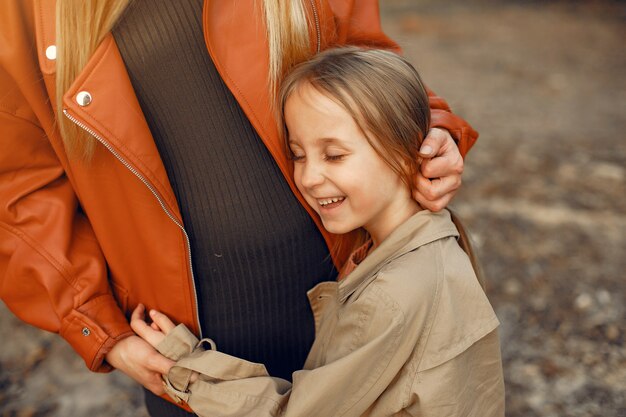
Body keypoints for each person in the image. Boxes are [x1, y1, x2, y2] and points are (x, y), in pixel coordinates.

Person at [0, 1, 478, 415]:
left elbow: (361, 58)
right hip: (189, 353)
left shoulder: (417, 289)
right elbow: (17, 183)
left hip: (351, 288)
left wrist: (427, 135)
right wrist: (100, 326)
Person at [130, 47, 505, 416]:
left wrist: (185, 368)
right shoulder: (437, 239)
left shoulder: (392, 296)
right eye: (298, 154)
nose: (308, 177)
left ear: (408, 151)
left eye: (334, 155)